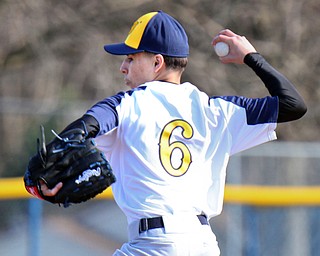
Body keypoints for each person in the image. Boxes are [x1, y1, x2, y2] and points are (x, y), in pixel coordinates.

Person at [37, 10, 307, 255]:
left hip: (154, 244)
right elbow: (293, 105)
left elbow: (80, 131)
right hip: (203, 244)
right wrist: (251, 56)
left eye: (131, 58)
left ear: (157, 63)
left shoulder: (126, 104)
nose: (123, 66)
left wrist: (44, 179)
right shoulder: (217, 111)